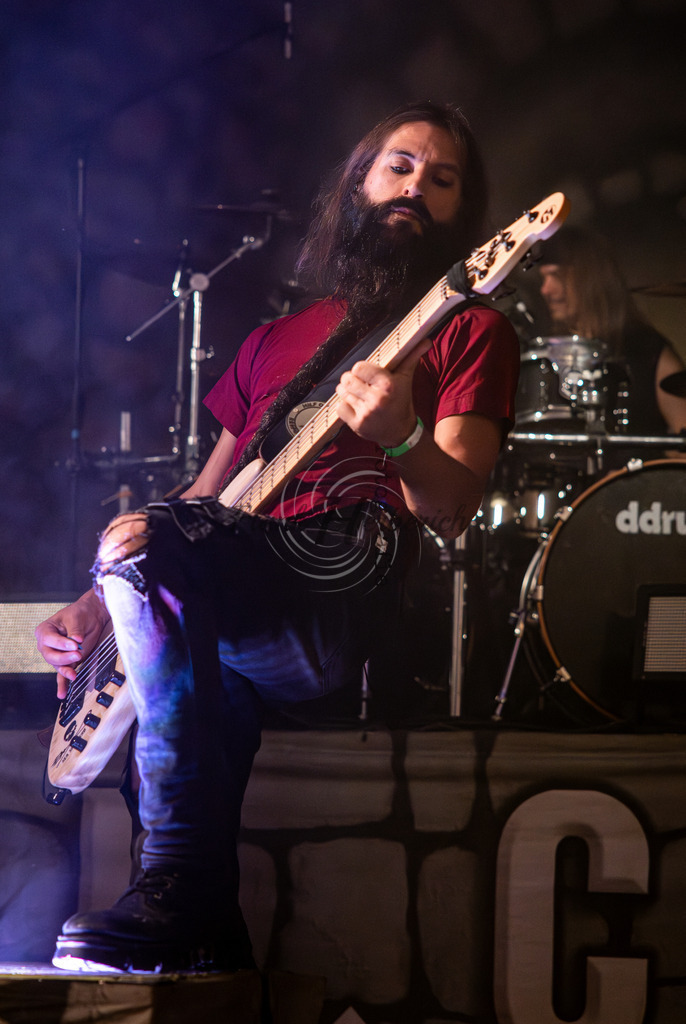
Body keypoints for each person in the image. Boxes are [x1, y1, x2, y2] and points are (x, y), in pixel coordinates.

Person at [35, 101, 520, 974]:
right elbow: (203, 497)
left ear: (463, 214)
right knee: (179, 631)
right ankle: (201, 923)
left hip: (344, 581)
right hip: (240, 577)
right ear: (357, 185)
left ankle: (175, 881)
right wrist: (97, 600)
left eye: (442, 180)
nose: (417, 186)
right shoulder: (270, 342)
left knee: (169, 562)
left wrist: (401, 434)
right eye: (400, 165)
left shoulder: (470, 326)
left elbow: (452, 504)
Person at [536, 224, 686, 437]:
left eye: (556, 276)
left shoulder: (647, 351)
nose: (545, 290)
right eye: (543, 278)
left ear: (589, 277)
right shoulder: (546, 358)